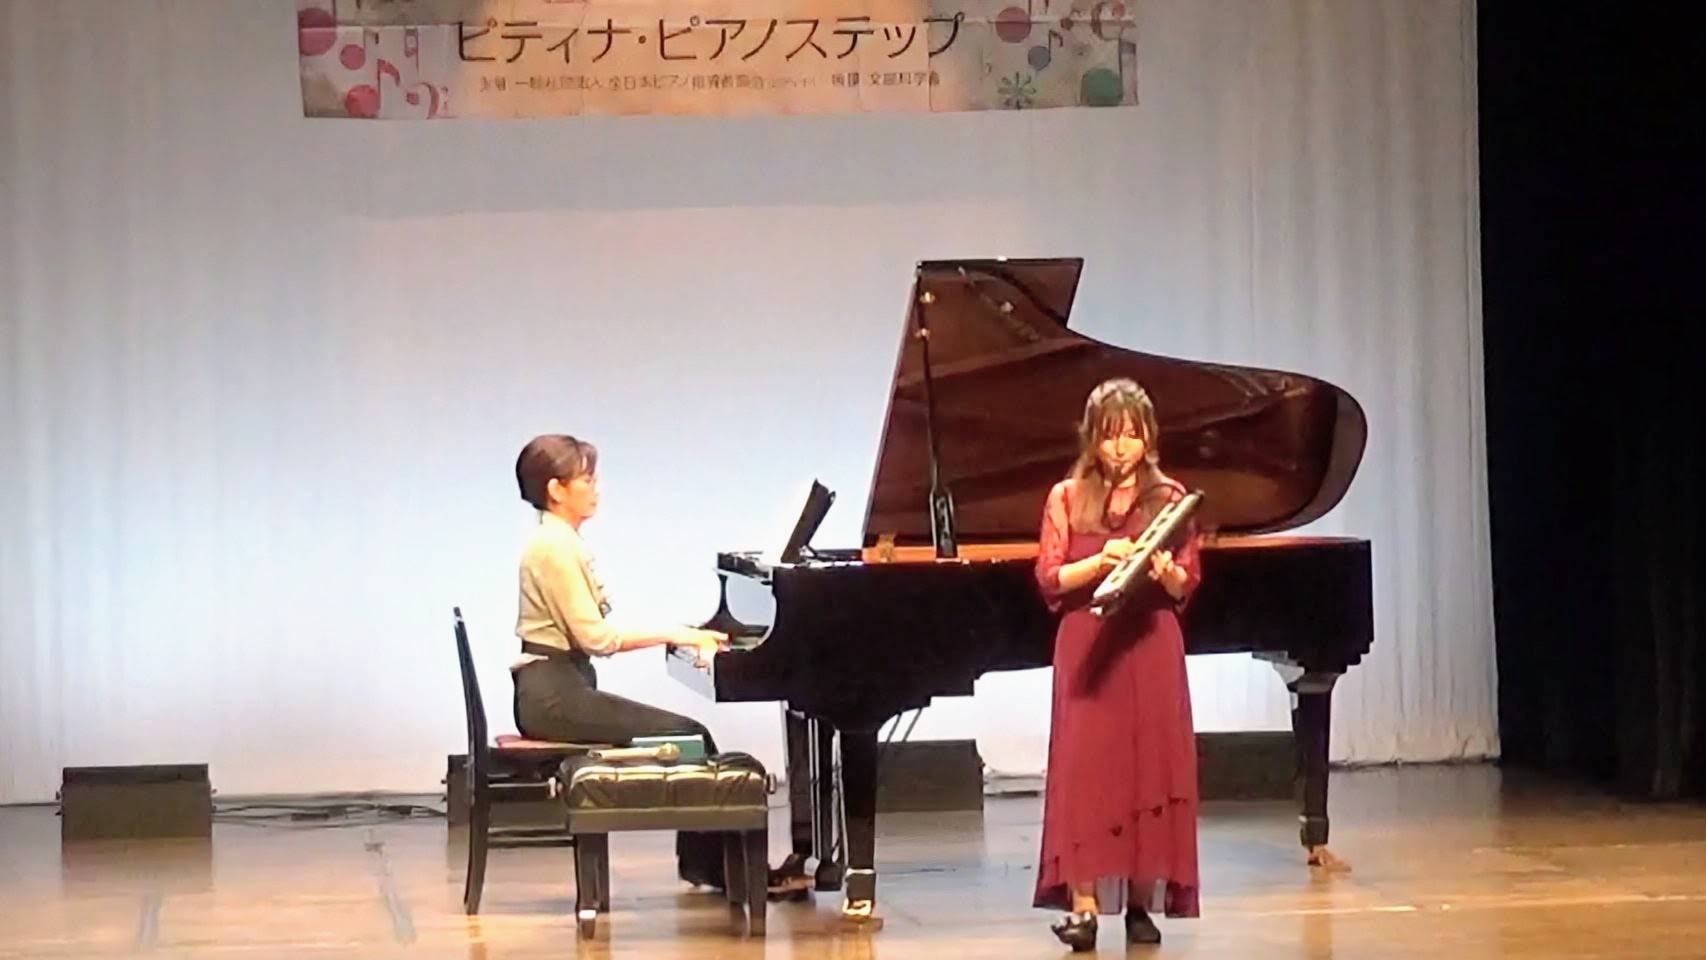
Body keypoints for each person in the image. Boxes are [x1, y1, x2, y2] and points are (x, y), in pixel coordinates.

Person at [510, 433, 729, 887]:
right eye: (587, 480)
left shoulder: (557, 540)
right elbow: (597, 639)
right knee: (692, 735)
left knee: (691, 734)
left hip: (558, 687)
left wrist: (678, 632)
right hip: (553, 697)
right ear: (556, 490)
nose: (597, 489)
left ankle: (708, 867)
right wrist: (676, 633)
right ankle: (715, 870)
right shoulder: (553, 546)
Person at [1032, 379, 1203, 950]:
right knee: (1086, 773)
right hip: (1088, 646)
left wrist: (1165, 572)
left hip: (1150, 643)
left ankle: (1139, 904)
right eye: (1110, 437)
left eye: (1132, 435)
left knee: (1148, 768)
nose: (1121, 448)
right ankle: (1083, 908)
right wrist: (1101, 562)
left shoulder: (1170, 497)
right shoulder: (1065, 496)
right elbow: (1050, 577)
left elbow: (1185, 584)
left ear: (1149, 437)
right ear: (1092, 439)